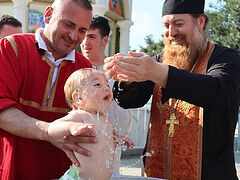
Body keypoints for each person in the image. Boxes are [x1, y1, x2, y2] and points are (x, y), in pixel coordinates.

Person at [103, 0, 240, 179]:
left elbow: (216, 92)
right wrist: (128, 79)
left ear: (201, 22)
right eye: (166, 25)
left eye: (178, 24)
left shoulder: (225, 58)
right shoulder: (159, 60)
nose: (171, 33)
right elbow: (131, 100)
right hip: (157, 173)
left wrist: (159, 72)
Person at [0, 0, 97, 179]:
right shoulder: (11, 48)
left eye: (82, 30)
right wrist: (49, 132)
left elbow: (90, 118)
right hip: (11, 170)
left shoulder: (85, 68)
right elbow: (2, 109)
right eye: (68, 24)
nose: (74, 36)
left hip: (63, 174)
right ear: (48, 15)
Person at [80, 15, 133, 174]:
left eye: (91, 37)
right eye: (83, 36)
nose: (85, 42)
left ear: (105, 40)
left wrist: (115, 134)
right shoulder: (74, 70)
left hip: (109, 148)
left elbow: (123, 113)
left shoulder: (118, 73)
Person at [48, 68, 115, 180]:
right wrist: (70, 127)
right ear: (79, 97)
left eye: (107, 85)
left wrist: (118, 138)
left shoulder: (106, 119)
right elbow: (52, 128)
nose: (107, 89)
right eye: (98, 84)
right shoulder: (80, 115)